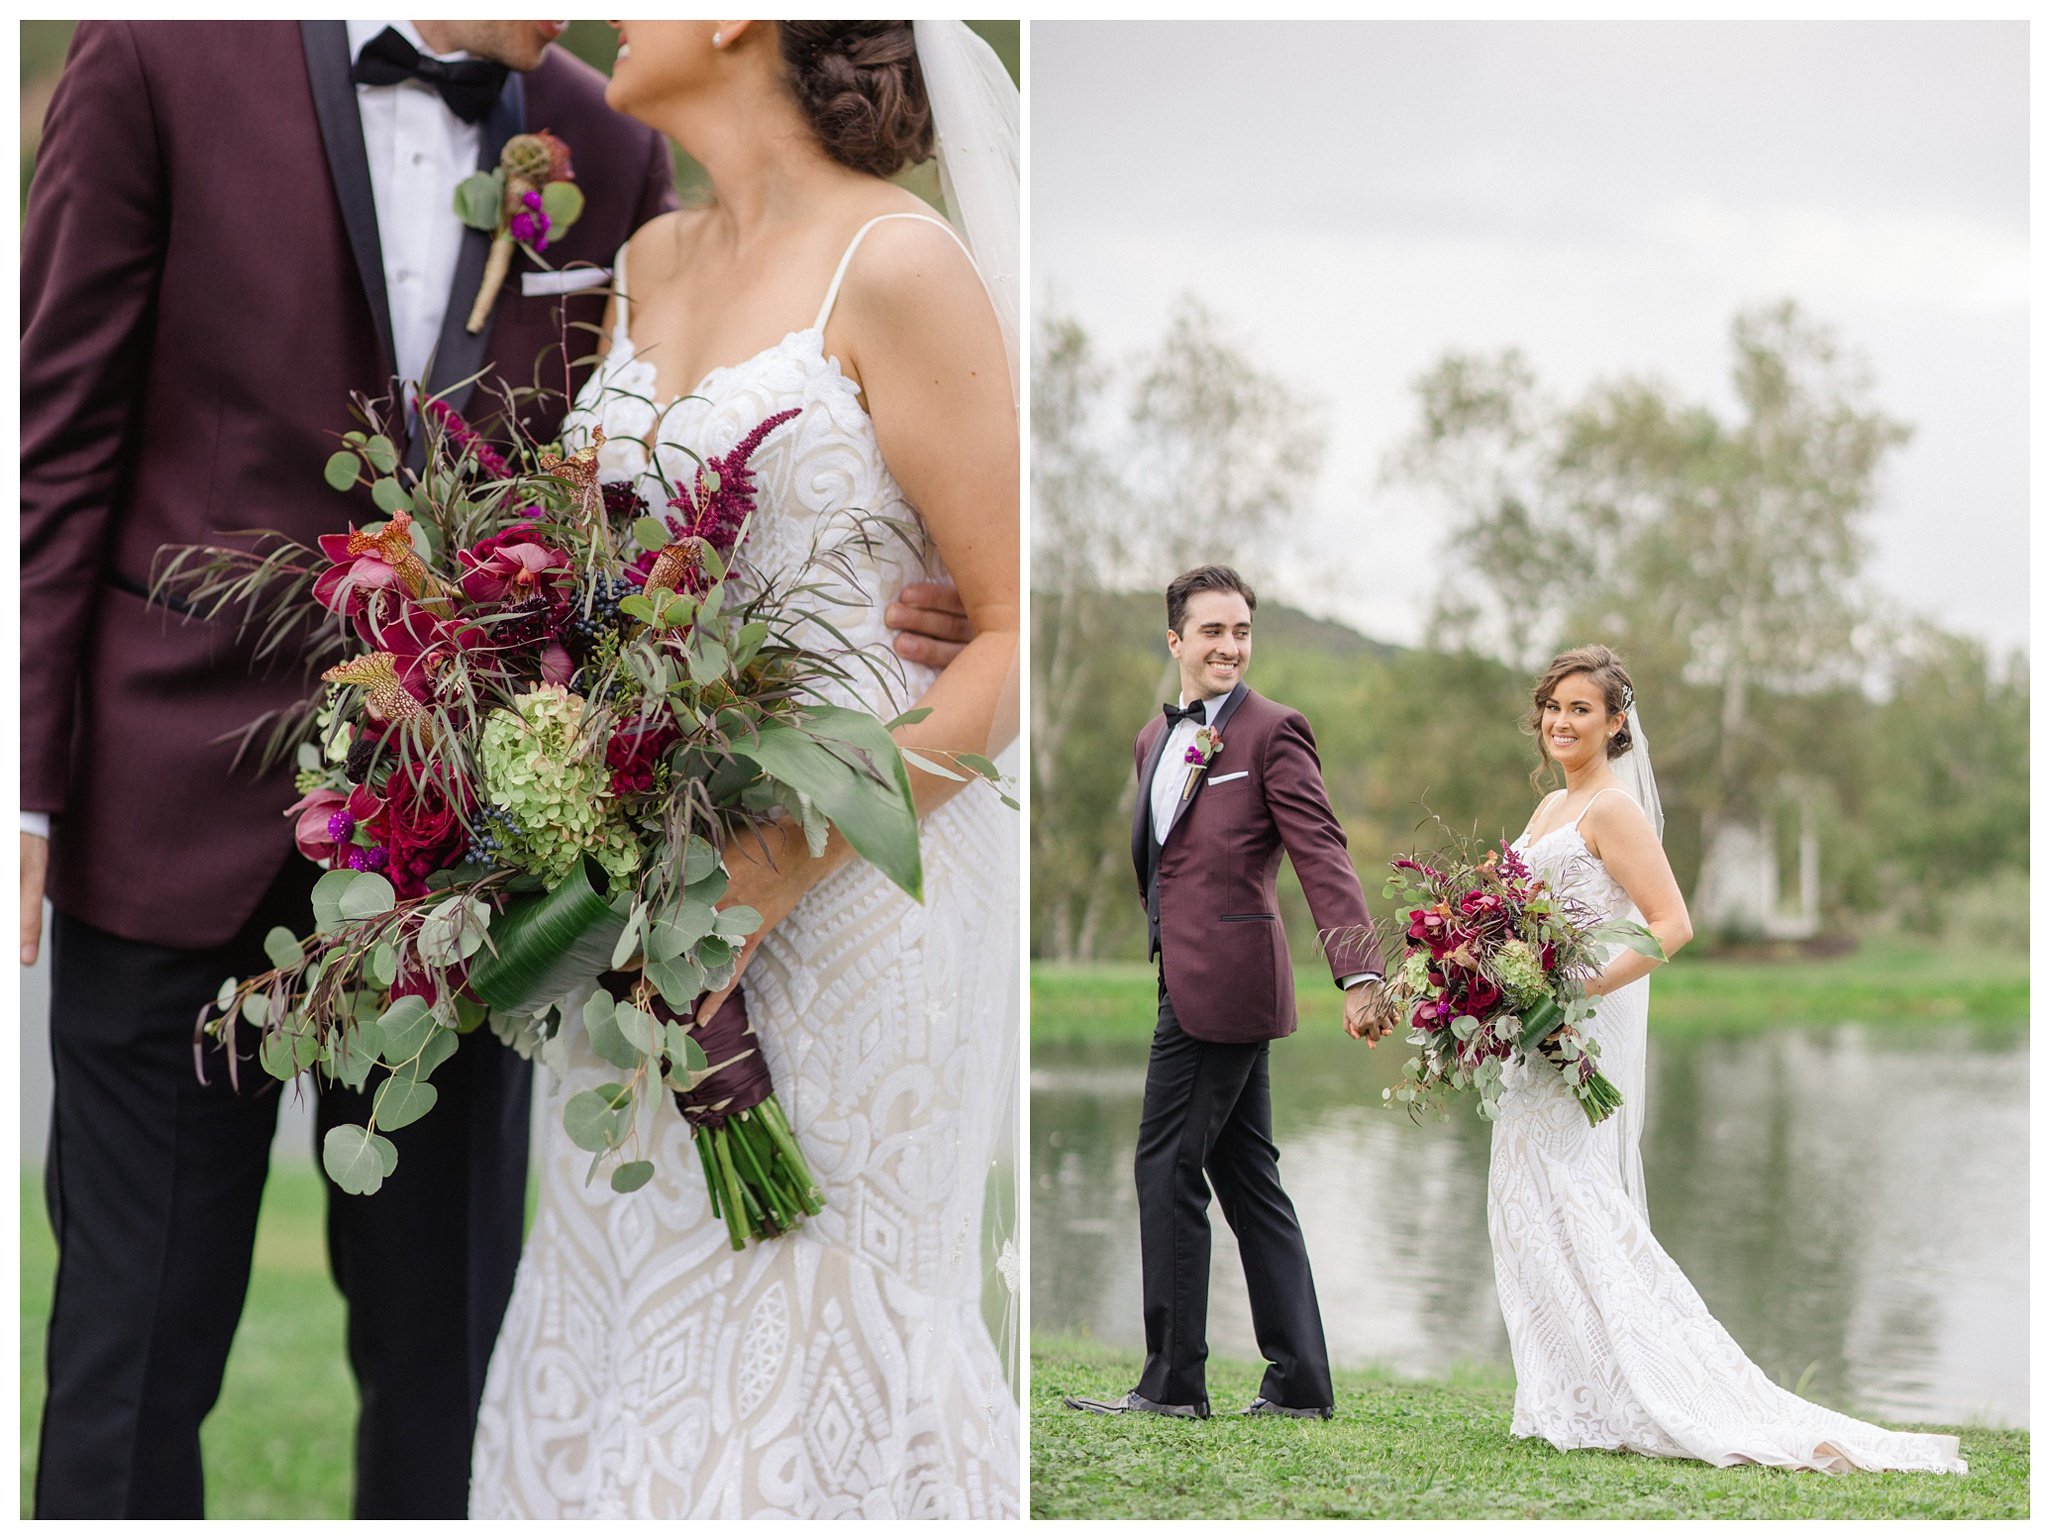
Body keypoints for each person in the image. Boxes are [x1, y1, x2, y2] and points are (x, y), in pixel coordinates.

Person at [18, 20, 968, 1518]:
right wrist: (27, 782)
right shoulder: (158, 53)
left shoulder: (607, 144)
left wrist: (936, 592)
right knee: (122, 1367)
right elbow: (52, 444)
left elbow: (628, 528)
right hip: (161, 810)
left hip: (488, 869)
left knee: (449, 1367)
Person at [466, 21, 1021, 1518]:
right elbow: (592, 591)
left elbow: (1010, 639)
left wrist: (776, 863)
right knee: (627, 1308)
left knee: (814, 1333)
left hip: (849, 895)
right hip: (641, 911)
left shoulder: (899, 267)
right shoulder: (643, 260)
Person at [1485, 644, 1966, 1473]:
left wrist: (1574, 994)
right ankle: (1568, 1392)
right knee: (1528, 1194)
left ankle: (1656, 1387)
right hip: (1531, 1029)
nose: (1562, 723)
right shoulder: (1546, 813)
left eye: (1581, 710)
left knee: (1584, 1197)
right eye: (1553, 709)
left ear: (1615, 722)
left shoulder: (1612, 809)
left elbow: (1671, 925)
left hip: (1580, 1023)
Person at [1063, 565, 1396, 1424]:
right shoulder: (1154, 739)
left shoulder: (1274, 732)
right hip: (1185, 976)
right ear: (1175, 640)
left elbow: (1321, 850)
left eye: (1241, 631)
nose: (1229, 646)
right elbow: (1166, 865)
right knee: (1248, 1181)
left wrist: (1361, 973)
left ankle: (1173, 1386)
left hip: (1233, 984)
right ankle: (1300, 1385)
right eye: (1212, 631)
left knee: (1165, 1166)